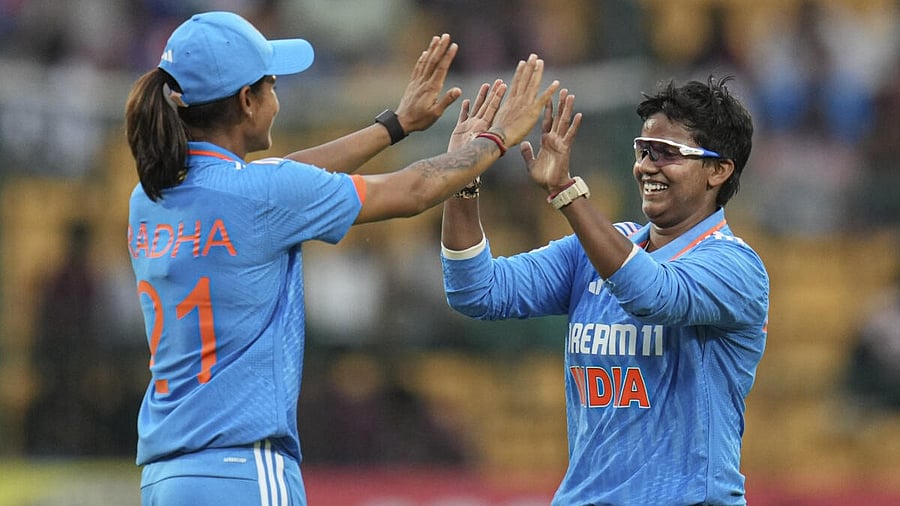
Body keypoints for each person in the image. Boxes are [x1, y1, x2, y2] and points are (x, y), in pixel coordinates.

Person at [124, 10, 559, 506]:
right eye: (271, 85)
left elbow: (282, 177)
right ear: (247, 101)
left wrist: (394, 126)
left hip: (166, 480)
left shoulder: (149, 199)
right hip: (243, 468)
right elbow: (413, 190)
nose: (276, 97)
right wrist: (494, 141)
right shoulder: (262, 195)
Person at [441, 75, 769, 505]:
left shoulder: (735, 266)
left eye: (668, 154)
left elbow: (653, 294)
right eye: (644, 150)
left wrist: (565, 191)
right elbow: (476, 290)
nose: (647, 166)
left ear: (718, 169)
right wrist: (462, 178)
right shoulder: (593, 251)